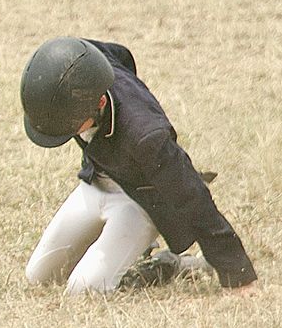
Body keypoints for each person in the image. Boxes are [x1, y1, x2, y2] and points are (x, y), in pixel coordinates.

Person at [18, 36, 259, 295]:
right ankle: (132, 250)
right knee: (39, 276)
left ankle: (165, 266)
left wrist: (237, 272)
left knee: (83, 289)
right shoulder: (86, 59)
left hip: (140, 202)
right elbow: (121, 55)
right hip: (97, 184)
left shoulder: (146, 136)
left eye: (69, 128)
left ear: (99, 104)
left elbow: (193, 196)